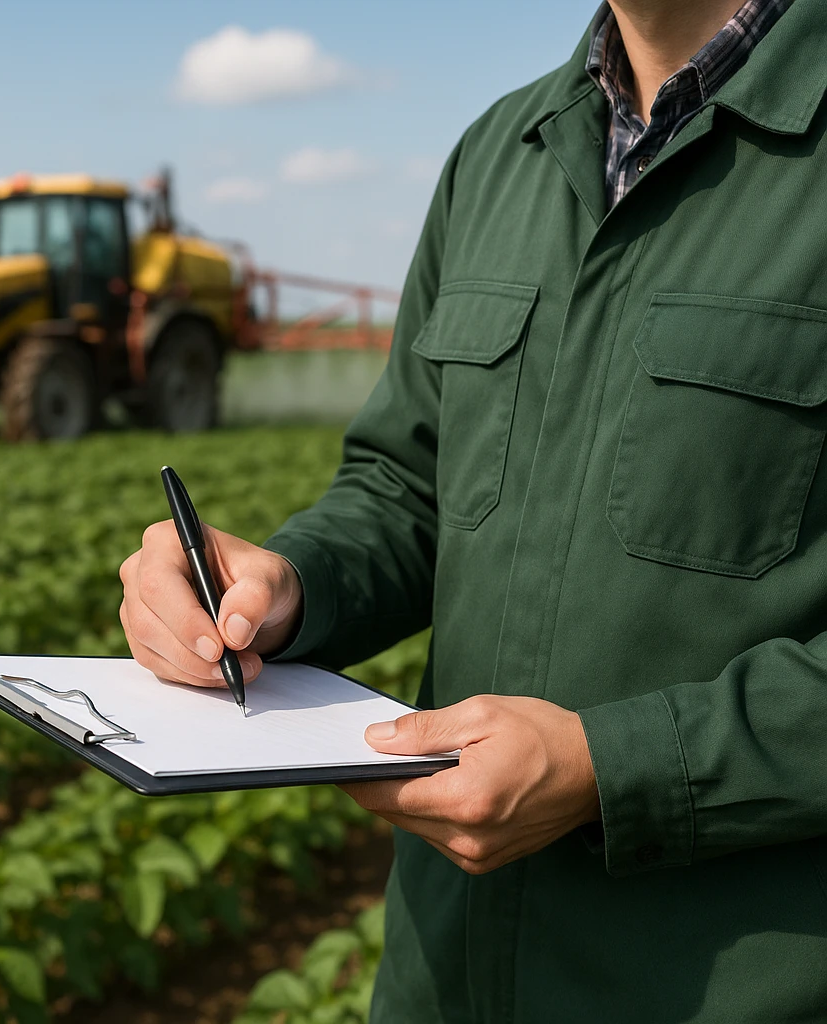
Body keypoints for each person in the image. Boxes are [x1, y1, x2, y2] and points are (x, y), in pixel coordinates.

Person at [119, 0, 827, 1018]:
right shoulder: (501, 153)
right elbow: (409, 488)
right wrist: (281, 584)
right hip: (444, 973)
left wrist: (614, 768)